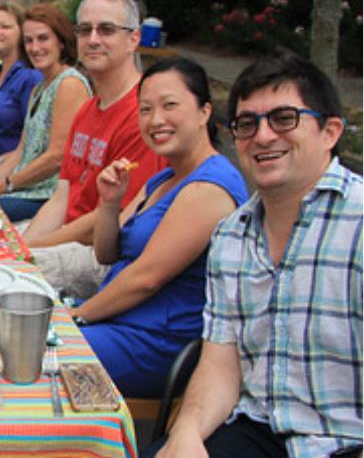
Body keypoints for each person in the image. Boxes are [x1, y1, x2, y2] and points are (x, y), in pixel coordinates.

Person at [148, 53, 362, 458]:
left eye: (283, 119)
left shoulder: (358, 223)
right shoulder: (231, 236)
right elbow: (220, 364)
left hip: (344, 441)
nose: (262, 137)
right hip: (257, 430)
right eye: (247, 124)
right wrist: (187, 433)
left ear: (330, 132)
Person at [71, 59, 248, 398]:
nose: (156, 120)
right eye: (146, 109)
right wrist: (109, 202)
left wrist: (76, 317)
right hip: (117, 320)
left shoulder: (210, 187)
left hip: (155, 343)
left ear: (204, 112)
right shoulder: (164, 178)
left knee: (30, 348)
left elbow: (146, 278)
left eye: (170, 105)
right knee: (11, 320)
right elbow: (106, 253)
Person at [24, 0, 165, 299]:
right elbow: (62, 198)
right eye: (85, 30)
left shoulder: (144, 114)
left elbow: (112, 219)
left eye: (107, 30)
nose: (93, 39)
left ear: (134, 39)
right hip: (64, 237)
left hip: (102, 253)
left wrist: (27, 251)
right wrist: (24, 244)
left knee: (7, 273)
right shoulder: (87, 109)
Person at [0, 2, 91, 221]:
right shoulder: (39, 88)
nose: (35, 47)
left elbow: (57, 157)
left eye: (43, 38)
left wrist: (8, 184)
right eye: (28, 41)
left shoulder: (69, 84)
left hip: (49, 197)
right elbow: (21, 151)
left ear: (61, 42)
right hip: (25, 189)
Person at [0, 0, 43, 161]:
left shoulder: (30, 77)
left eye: (5, 27)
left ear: (22, 32)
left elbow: (34, 142)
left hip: (13, 168)